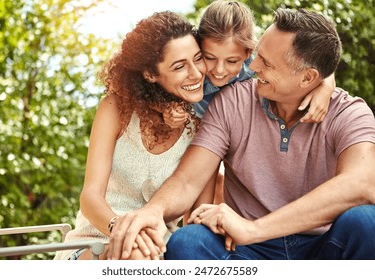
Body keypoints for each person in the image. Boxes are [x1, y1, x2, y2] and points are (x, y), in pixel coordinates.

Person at [107, 8, 375, 260]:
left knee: (365, 221)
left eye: (266, 63)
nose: (253, 66)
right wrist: (154, 210)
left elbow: (362, 184)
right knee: (189, 240)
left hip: (321, 244)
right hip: (242, 247)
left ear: (307, 78)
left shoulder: (349, 113)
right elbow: (188, 180)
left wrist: (255, 228)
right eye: (256, 55)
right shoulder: (231, 101)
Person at [53, 11, 211, 260]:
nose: (196, 73)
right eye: (180, 66)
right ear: (150, 74)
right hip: (97, 240)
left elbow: (195, 219)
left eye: (198, 59)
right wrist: (123, 230)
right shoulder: (116, 109)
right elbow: (90, 197)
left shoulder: (202, 128)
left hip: (157, 250)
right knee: (134, 253)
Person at [164, 0, 336, 204]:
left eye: (231, 61)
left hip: (227, 130)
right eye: (209, 57)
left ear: (248, 53)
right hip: (196, 134)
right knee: (196, 183)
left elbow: (311, 65)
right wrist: (170, 110)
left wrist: (326, 86)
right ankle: (192, 229)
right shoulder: (191, 72)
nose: (219, 70)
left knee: (216, 183)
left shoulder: (254, 64)